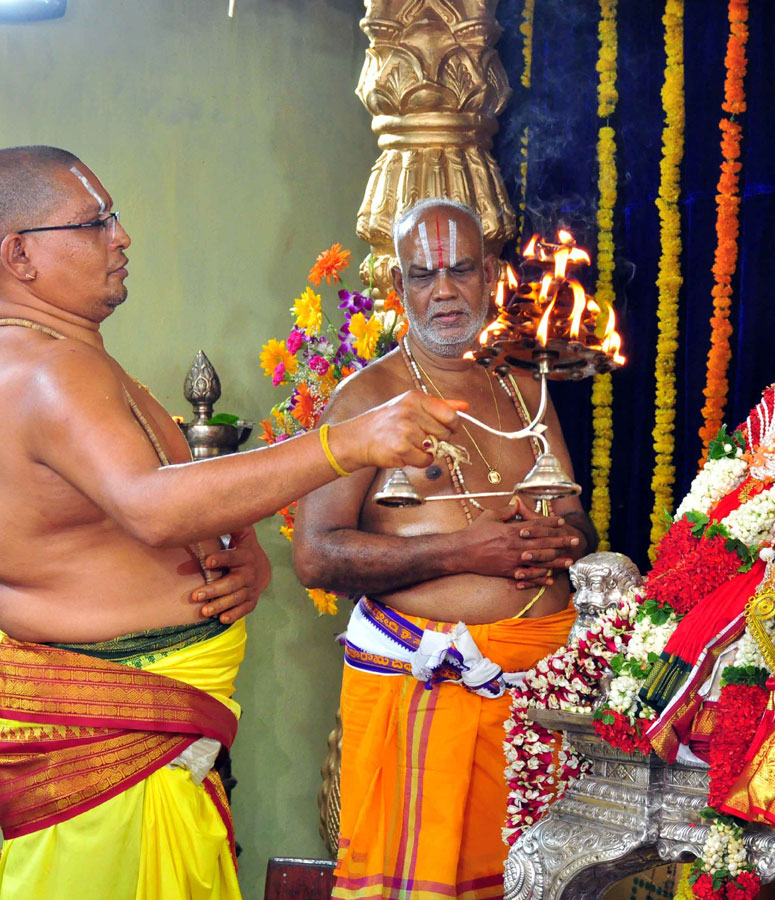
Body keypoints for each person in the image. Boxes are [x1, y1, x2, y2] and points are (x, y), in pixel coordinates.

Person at [0, 146, 463, 900]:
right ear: (20, 254)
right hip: (104, 755)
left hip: (145, 743)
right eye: (96, 222)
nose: (121, 238)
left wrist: (236, 546)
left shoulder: (67, 357)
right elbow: (150, 505)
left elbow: (154, 498)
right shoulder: (50, 369)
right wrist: (346, 442)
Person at [292, 198, 597, 900]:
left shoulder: (526, 393)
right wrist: (466, 552)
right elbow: (318, 556)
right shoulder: (364, 401)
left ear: (491, 276)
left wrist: (561, 539)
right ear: (399, 289)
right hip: (427, 687)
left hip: (538, 693)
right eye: (424, 275)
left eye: (461, 270)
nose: (445, 291)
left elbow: (579, 524)